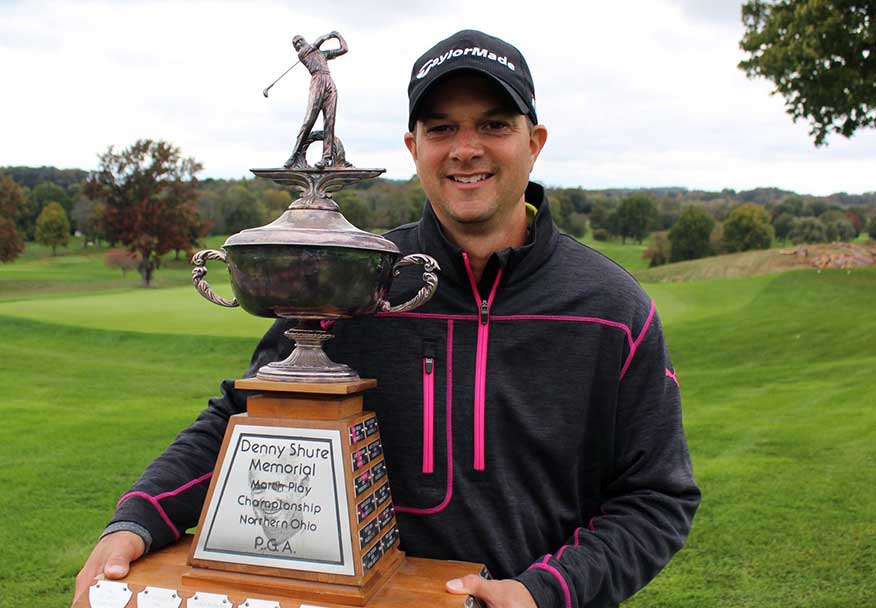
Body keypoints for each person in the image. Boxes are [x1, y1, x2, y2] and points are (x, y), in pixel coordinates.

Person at [74, 29, 700, 608]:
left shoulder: (611, 309)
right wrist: (137, 519)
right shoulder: (357, 279)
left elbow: (656, 499)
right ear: (413, 147)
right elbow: (248, 420)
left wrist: (546, 591)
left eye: (494, 125)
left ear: (534, 142)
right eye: (440, 128)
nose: (465, 149)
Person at [285, 31, 347, 169]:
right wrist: (328, 35)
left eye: (300, 39)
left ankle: (326, 158)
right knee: (309, 121)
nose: (298, 43)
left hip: (329, 82)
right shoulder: (303, 53)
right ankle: (294, 155)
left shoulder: (322, 55)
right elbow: (317, 43)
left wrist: (338, 36)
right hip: (317, 81)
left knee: (330, 121)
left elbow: (344, 49)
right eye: (295, 43)